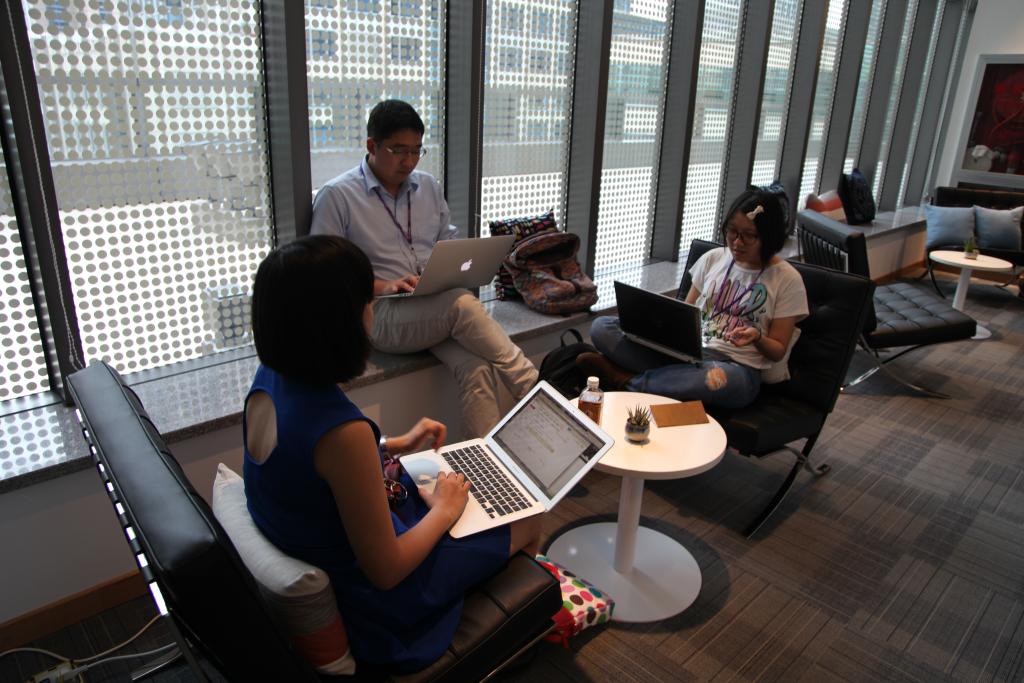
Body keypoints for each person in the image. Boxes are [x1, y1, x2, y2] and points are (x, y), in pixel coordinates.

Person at [243, 235, 542, 673]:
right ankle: (511, 637)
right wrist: (444, 510)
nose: (372, 312)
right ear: (339, 321)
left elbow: (302, 467)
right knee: (530, 514)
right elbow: (386, 570)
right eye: (367, 301)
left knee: (458, 491)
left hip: (326, 543)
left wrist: (386, 447)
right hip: (374, 599)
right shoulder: (341, 433)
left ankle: (477, 576)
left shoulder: (269, 378)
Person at [310, 99, 537, 437]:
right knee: (461, 304)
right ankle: (534, 389)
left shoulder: (427, 186)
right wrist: (385, 285)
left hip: (430, 306)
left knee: (476, 367)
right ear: (372, 146)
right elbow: (324, 277)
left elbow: (448, 242)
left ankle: (487, 469)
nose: (410, 161)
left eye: (417, 151)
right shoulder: (338, 196)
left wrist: (453, 268)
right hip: (381, 315)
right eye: (399, 150)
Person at [578, 189, 808, 411]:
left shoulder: (787, 279)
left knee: (714, 379)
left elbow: (777, 350)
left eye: (749, 236)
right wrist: (655, 320)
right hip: (686, 356)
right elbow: (685, 313)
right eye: (732, 232)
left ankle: (626, 381)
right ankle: (662, 382)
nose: (737, 242)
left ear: (769, 236)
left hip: (735, 368)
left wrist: (756, 337)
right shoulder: (714, 259)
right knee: (602, 327)